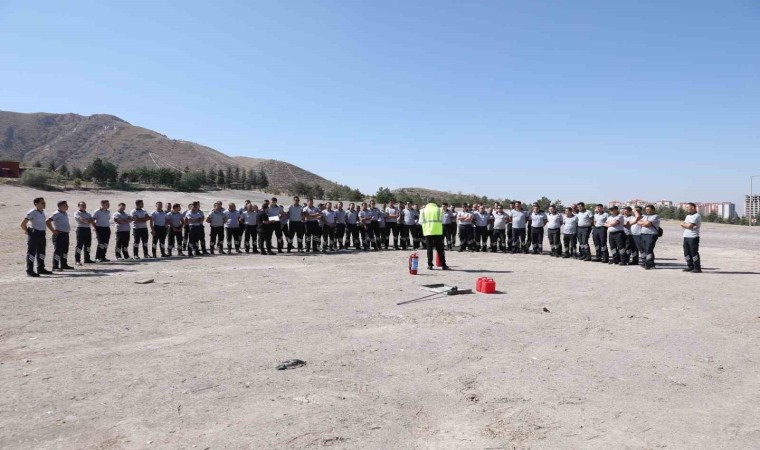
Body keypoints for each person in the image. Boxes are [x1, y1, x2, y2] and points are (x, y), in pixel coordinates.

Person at [21, 197, 51, 277]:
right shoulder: (32, 212)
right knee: (31, 253)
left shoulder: (43, 212)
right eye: (42, 203)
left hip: (42, 234)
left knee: (41, 252)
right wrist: (28, 232)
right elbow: (23, 224)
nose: (44, 204)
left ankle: (41, 268)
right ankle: (30, 270)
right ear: (36, 204)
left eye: (44, 202)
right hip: (34, 234)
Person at [420, 201, 450, 270]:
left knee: (429, 249)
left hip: (428, 232)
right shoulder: (439, 209)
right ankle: (443, 265)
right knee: (440, 249)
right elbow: (442, 220)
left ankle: (430, 265)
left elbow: (420, 222)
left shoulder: (423, 210)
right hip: (438, 232)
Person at [46, 200, 73, 271]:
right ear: (60, 206)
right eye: (65, 205)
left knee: (65, 250)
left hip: (65, 234)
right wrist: (53, 230)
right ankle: (55, 266)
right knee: (58, 250)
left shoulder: (65, 213)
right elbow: (48, 221)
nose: (67, 206)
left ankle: (64, 264)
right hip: (59, 234)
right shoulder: (56, 213)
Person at [681, 202, 702, 273]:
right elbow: (683, 224)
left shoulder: (697, 216)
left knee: (694, 253)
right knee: (686, 253)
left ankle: (697, 267)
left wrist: (687, 225)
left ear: (692, 207)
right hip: (686, 236)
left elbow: (689, 226)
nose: (686, 208)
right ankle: (690, 266)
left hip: (693, 237)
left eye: (687, 207)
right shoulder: (688, 216)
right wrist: (686, 225)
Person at [639, 204, 660, 270]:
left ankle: (649, 264)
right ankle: (649, 263)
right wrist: (643, 223)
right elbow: (638, 222)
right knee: (644, 249)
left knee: (649, 249)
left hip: (651, 235)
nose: (647, 211)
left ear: (653, 210)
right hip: (643, 234)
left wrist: (643, 223)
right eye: (646, 210)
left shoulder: (655, 216)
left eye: (648, 209)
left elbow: (648, 224)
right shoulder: (645, 216)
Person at [74, 201, 94, 265]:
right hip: (80, 229)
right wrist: (87, 220)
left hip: (88, 229)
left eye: (85, 205)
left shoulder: (88, 213)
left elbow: (91, 220)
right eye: (82, 205)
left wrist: (87, 220)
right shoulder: (77, 213)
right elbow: (82, 220)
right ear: (79, 206)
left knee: (88, 245)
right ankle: (77, 260)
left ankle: (87, 258)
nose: (84, 206)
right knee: (79, 245)